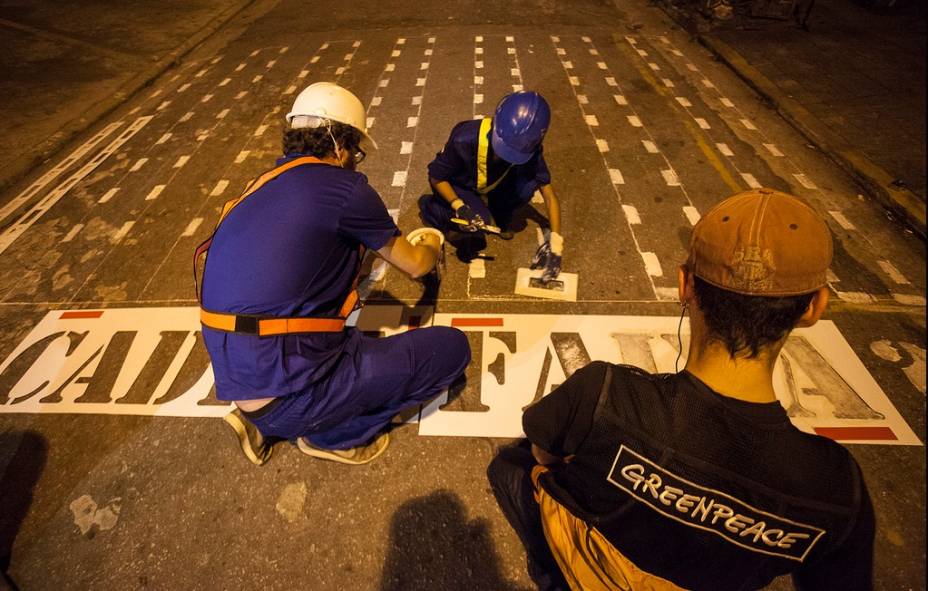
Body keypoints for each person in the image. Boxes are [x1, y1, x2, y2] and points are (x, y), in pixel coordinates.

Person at [487, 188, 875, 590]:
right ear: (814, 307)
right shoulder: (836, 490)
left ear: (685, 284)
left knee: (512, 459)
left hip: (587, 573)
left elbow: (541, 451)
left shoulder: (603, 393)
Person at [197, 82, 471, 466]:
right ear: (338, 146)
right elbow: (416, 265)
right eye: (356, 151)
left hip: (238, 377)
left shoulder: (257, 186)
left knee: (333, 322)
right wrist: (429, 242)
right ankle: (332, 435)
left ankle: (261, 421)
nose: (356, 161)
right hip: (293, 393)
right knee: (451, 350)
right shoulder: (345, 189)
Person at [418, 91, 564, 282]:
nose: (507, 155)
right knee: (475, 230)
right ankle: (431, 208)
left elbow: (549, 194)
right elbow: (436, 177)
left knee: (527, 186)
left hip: (492, 182)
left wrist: (556, 244)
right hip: (463, 186)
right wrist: (458, 206)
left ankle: (496, 211)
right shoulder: (464, 138)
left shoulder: (530, 148)